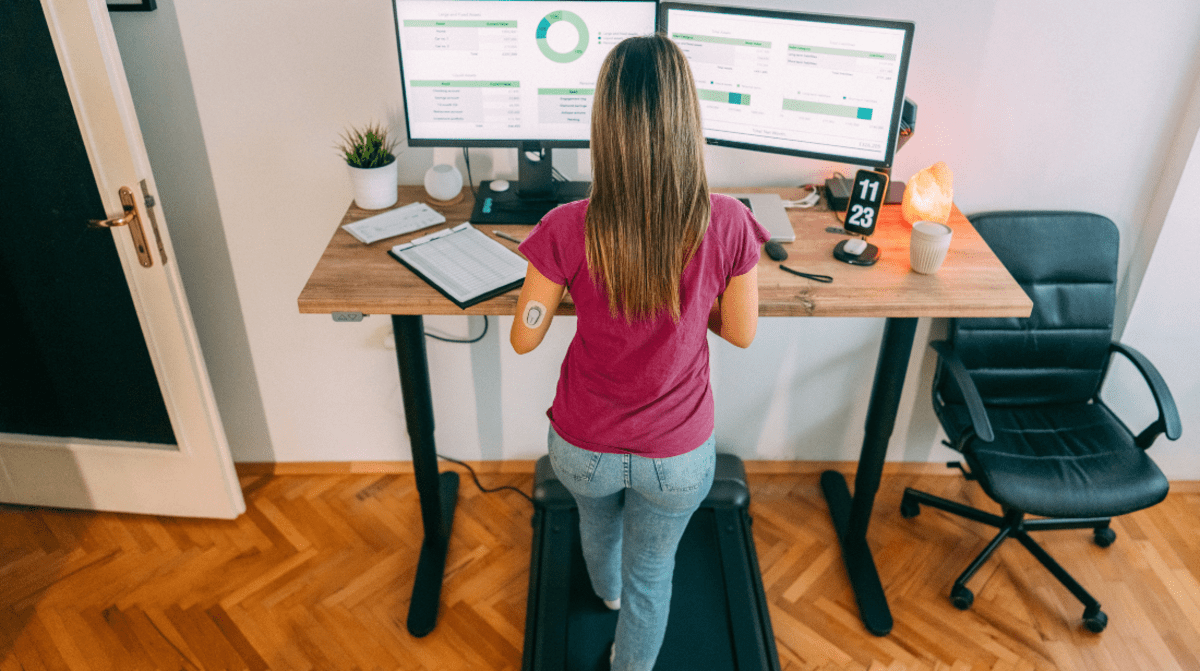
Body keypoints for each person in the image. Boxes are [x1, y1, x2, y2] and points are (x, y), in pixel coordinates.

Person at [510, 33, 769, 671]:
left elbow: (523, 335)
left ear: (603, 125)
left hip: (583, 448)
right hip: (677, 456)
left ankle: (605, 591)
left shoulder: (567, 225)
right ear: (688, 120)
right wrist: (687, 297)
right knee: (656, 577)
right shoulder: (729, 222)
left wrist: (564, 285)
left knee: (599, 530)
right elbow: (740, 331)